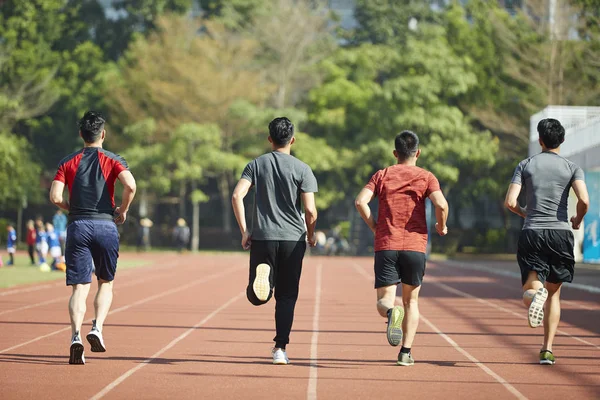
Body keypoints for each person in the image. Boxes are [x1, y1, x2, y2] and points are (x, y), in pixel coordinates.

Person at [50, 110, 137, 365]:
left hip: (78, 226)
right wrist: (123, 210)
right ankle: (96, 328)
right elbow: (130, 185)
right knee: (105, 282)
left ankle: (75, 336)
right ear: (103, 134)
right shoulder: (113, 159)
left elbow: (55, 197)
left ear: (81, 135)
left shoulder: (67, 162)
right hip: (105, 225)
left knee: (80, 287)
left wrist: (71, 208)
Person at [355, 130, 448, 366]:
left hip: (386, 244)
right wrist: (441, 224)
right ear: (418, 152)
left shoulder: (382, 174)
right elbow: (441, 204)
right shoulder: (427, 177)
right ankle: (406, 353)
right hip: (415, 247)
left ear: (395, 153)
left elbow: (360, 202)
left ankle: (390, 313)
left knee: (385, 300)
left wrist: (375, 226)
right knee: (411, 302)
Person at [231, 117, 318, 365]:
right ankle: (280, 348)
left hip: (263, 238)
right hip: (293, 239)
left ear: (270, 139)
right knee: (287, 296)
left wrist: (245, 230)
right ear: (293, 139)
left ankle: (263, 285)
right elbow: (310, 211)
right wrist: (311, 233)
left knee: (256, 296)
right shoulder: (303, 169)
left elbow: (238, 195)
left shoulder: (256, 165)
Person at [504, 118, 589, 365]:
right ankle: (547, 350)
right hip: (561, 234)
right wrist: (577, 218)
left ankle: (535, 295)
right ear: (561, 141)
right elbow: (584, 200)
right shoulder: (572, 167)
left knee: (531, 288)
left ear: (540, 140)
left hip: (533, 232)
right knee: (554, 295)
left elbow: (510, 202)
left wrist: (524, 212)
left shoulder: (526, 164)